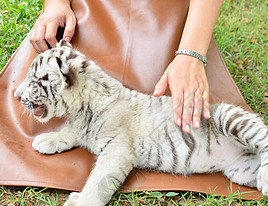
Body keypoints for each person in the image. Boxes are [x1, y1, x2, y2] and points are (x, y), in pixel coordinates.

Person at [29, 0, 224, 134]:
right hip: (91, 10)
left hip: (161, 16)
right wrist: (56, 4)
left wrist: (190, 55)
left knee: (159, 110)